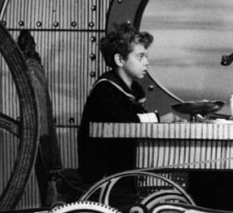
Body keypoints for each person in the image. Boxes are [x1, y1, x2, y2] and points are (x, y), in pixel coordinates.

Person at [77, 23, 183, 198]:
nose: (146, 62)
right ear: (120, 60)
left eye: (146, 56)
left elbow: (137, 118)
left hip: (123, 172)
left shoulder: (133, 90)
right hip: (105, 179)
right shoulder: (105, 89)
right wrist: (160, 119)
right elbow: (128, 123)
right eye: (140, 57)